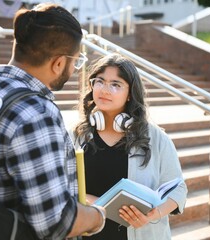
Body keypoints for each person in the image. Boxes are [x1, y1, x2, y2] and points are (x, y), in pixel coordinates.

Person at [0, 3, 105, 239]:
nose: (74, 69)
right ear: (58, 63)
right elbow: (56, 222)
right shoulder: (37, 113)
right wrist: (98, 216)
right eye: (76, 62)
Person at [71, 53, 187, 240]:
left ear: (130, 94)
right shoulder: (75, 135)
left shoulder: (156, 138)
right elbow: (61, 186)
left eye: (116, 84)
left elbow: (178, 189)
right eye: (99, 81)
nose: (105, 90)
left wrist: (152, 215)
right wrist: (99, 204)